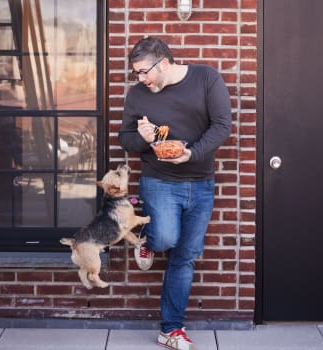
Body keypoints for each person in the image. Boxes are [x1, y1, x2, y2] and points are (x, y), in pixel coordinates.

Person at [118, 37, 232, 350]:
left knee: (184, 257)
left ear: (164, 63)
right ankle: (147, 240)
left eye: (144, 72)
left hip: (201, 183)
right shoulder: (138, 94)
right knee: (166, 239)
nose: (140, 79)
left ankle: (171, 329)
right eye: (136, 74)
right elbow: (125, 138)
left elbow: (222, 125)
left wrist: (191, 154)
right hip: (159, 181)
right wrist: (142, 139)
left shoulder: (206, 79)